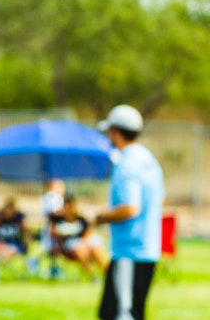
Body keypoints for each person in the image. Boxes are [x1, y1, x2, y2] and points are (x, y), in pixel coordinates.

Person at [95, 105, 165, 320]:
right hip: (146, 248)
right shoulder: (147, 158)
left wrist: (101, 217)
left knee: (122, 313)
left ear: (116, 131)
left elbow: (130, 207)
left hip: (130, 252)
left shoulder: (127, 163)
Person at [50, 194, 107, 280]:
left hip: (84, 245)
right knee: (79, 250)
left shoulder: (80, 219)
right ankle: (92, 276)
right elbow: (53, 233)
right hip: (68, 248)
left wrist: (83, 243)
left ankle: (107, 274)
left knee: (95, 248)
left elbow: (88, 232)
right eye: (66, 206)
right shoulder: (58, 220)